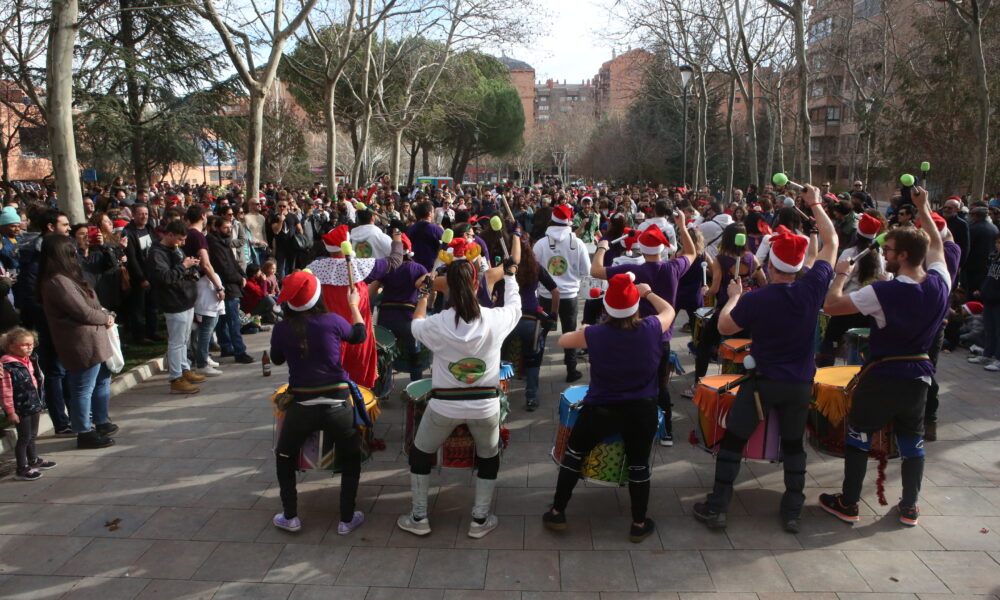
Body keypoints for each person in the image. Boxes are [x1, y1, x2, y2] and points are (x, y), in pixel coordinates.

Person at [693, 184, 837, 533]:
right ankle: (792, 511)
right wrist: (815, 204)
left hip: (762, 385)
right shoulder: (812, 287)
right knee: (793, 446)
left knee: (733, 442)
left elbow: (726, 326)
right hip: (799, 384)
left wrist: (733, 297)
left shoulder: (758, 298)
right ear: (800, 263)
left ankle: (718, 507)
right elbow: (831, 243)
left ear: (770, 263)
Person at [819, 185, 949, 527]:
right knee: (912, 440)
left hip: (883, 376)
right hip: (920, 376)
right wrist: (925, 207)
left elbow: (831, 306)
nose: (885, 253)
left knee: (859, 435)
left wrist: (841, 275)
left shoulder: (881, 291)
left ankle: (848, 503)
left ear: (903, 255)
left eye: (890, 249)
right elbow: (936, 245)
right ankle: (909, 507)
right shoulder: (940, 283)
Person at [397, 236, 521, 539]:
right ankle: (479, 520)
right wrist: (510, 275)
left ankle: (419, 517)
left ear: (447, 286)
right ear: (477, 283)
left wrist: (425, 294)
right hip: (486, 406)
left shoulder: (438, 323)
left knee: (420, 454)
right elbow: (515, 305)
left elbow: (415, 323)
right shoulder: (494, 319)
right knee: (490, 457)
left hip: (443, 405)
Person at [543, 274, 675, 542]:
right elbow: (669, 310)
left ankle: (558, 511)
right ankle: (638, 523)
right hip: (642, 410)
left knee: (574, 453)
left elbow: (563, 341)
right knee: (639, 465)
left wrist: (585, 328)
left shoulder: (595, 334)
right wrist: (647, 291)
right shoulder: (651, 327)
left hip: (601, 409)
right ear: (636, 306)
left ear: (606, 307)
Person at [269, 271, 367, 535]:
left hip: (301, 407)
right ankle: (346, 519)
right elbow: (359, 334)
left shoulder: (281, 328)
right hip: (338, 405)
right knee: (351, 458)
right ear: (317, 296)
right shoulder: (333, 321)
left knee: (284, 456)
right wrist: (353, 305)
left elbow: (276, 359)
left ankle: (290, 516)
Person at [592, 211, 696, 446]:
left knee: (631, 384)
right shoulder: (672, 269)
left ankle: (628, 428)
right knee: (661, 386)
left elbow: (596, 271)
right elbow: (691, 252)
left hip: (634, 336)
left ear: (640, 246)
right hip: (661, 338)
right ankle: (666, 431)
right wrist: (682, 227)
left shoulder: (634, 270)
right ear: (662, 247)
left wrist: (601, 247)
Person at [37, 235, 119, 449]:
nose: (76, 254)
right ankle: (84, 430)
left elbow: (93, 303)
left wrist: (105, 313)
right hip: (80, 341)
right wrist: (105, 318)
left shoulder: (69, 277)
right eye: (71, 251)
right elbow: (81, 312)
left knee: (102, 379)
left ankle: (101, 420)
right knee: (83, 387)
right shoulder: (57, 281)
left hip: (95, 337)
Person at [307, 225, 404, 388]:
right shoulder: (359, 266)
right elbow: (395, 261)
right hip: (358, 334)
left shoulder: (314, 269)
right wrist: (397, 240)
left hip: (328, 336)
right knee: (359, 385)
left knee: (333, 383)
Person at [13, 208, 73, 434]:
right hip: (49, 323)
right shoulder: (36, 257)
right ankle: (61, 420)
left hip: (66, 322)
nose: (69, 229)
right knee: (56, 371)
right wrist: (54, 314)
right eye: (64, 225)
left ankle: (75, 414)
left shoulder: (63, 252)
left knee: (68, 368)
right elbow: (30, 295)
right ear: (50, 227)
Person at [689, 224, 765, 396]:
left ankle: (697, 384)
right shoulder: (752, 258)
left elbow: (715, 288)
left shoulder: (720, 260)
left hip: (726, 309)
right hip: (749, 309)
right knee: (745, 348)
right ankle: (747, 386)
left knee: (705, 345)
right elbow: (763, 281)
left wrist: (705, 291)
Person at [533, 204, 591, 382]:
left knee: (540, 334)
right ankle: (571, 370)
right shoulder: (578, 243)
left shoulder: (541, 244)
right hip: (570, 296)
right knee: (569, 333)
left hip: (546, 295)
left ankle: (533, 370)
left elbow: (534, 271)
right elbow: (586, 270)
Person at [147, 220, 205, 394]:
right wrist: (183, 266)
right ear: (169, 234)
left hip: (185, 299)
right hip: (173, 301)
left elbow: (180, 268)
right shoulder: (157, 253)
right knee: (176, 342)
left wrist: (190, 265)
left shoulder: (175, 249)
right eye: (180, 239)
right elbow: (164, 277)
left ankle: (184, 368)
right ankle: (175, 378)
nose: (183, 243)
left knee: (185, 339)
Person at [505, 233, 558, 411]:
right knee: (534, 359)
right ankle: (531, 397)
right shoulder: (536, 267)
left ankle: (498, 396)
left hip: (509, 319)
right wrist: (553, 315)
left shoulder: (506, 269)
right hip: (532, 320)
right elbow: (555, 291)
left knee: (501, 359)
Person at [2, 327, 56, 481]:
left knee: (32, 435)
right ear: (11, 346)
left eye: (31, 344)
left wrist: (40, 400)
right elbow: (6, 391)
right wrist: (10, 411)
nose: (29, 347)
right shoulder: (8, 366)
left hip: (34, 404)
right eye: (24, 345)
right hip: (21, 408)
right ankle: (22, 467)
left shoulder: (29, 360)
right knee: (24, 437)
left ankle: (33, 460)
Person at [373, 234, 428, 382]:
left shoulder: (386, 267)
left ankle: (384, 389)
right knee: (414, 355)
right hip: (407, 317)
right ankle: (416, 388)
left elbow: (372, 291)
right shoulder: (418, 268)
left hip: (386, 317)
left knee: (385, 355)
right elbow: (426, 288)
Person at [207, 216, 254, 364]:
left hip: (231, 284)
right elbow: (224, 267)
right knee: (232, 321)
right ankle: (239, 351)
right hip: (227, 286)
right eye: (225, 228)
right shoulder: (214, 243)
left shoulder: (224, 242)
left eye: (230, 227)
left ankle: (226, 346)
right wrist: (238, 279)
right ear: (216, 228)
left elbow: (233, 262)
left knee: (224, 320)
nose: (229, 230)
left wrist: (243, 275)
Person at [124, 204, 160, 345]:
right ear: (133, 215)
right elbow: (132, 258)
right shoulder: (128, 232)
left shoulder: (149, 228)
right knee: (138, 308)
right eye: (140, 214)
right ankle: (139, 335)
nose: (144, 216)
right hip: (138, 277)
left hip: (152, 273)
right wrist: (141, 278)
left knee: (153, 305)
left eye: (146, 214)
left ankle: (153, 331)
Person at [406, 201, 444, 272]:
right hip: (431, 267)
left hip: (414, 265)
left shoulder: (411, 228)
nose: (434, 214)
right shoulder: (435, 229)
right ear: (430, 214)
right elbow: (446, 244)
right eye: (433, 212)